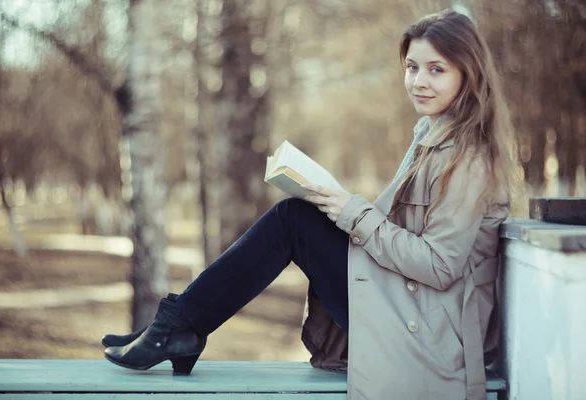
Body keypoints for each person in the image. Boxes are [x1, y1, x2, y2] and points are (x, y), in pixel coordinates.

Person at [102, 9, 521, 400]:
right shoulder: (436, 136)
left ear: (468, 75)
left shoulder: (468, 157)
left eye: (436, 70)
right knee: (300, 216)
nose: (419, 81)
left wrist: (353, 213)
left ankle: (179, 327)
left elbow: (439, 265)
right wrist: (340, 208)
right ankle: (178, 326)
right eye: (412, 67)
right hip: (415, 311)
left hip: (432, 334)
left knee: (294, 219)